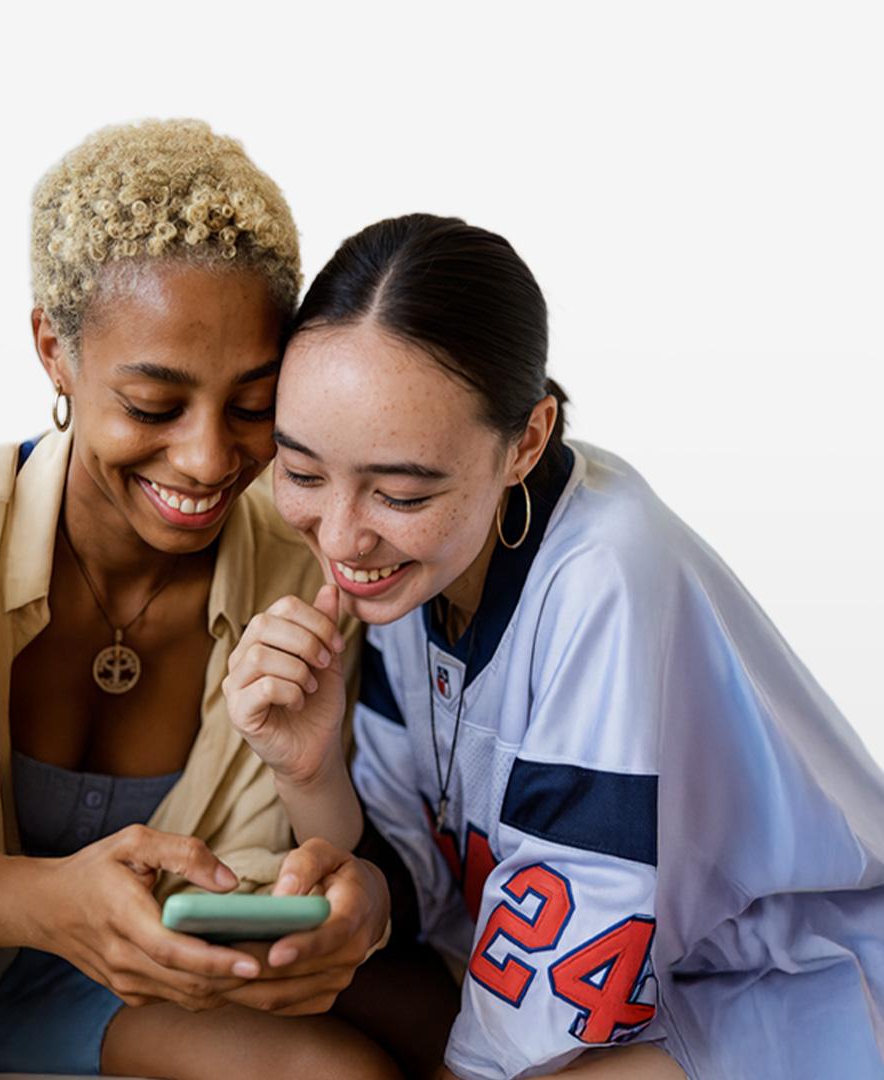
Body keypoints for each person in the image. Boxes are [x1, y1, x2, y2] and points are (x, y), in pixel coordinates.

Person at [224, 213, 884, 1079]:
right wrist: (307, 771)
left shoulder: (605, 570)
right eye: (303, 473)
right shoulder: (410, 571)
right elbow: (405, 896)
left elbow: (568, 988)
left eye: (400, 493)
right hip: (587, 984)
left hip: (775, 984)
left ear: (525, 441)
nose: (343, 537)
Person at [0, 120, 397, 1080]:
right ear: (55, 351)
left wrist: (339, 898)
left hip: (121, 990)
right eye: (154, 406)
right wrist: (60, 904)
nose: (210, 461)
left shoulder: (296, 560)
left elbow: (261, 867)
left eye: (252, 404)